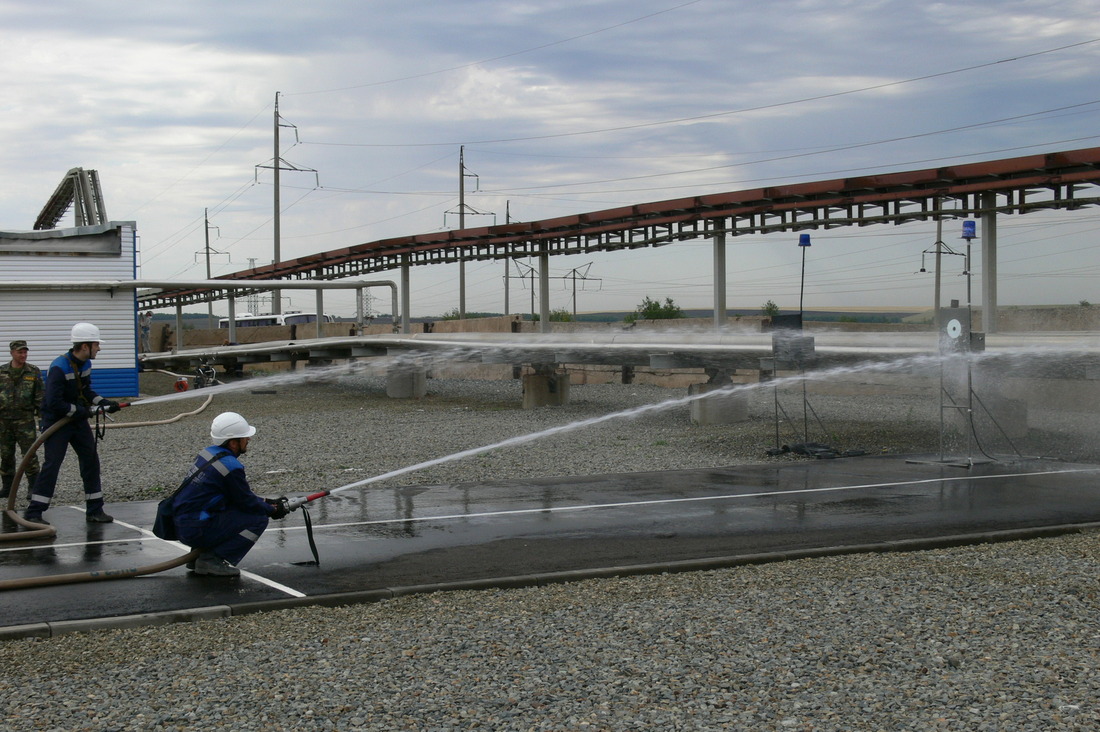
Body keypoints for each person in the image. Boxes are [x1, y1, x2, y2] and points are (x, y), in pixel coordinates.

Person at [25, 323, 121, 524]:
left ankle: (95, 510)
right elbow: (54, 402)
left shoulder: (85, 364)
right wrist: (82, 411)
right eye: (96, 344)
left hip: (77, 421)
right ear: (84, 346)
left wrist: (103, 403)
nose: (99, 348)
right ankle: (34, 513)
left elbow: (85, 391)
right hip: (56, 422)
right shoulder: (59, 367)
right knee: (52, 465)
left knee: (90, 461)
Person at [173, 412, 288, 576]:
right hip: (195, 529)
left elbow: (234, 495)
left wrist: (266, 501)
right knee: (258, 519)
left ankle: (197, 556)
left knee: (228, 511)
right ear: (233, 442)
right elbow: (245, 501)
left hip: (184, 523)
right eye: (244, 437)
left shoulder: (208, 453)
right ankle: (210, 560)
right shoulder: (231, 467)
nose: (248, 440)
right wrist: (272, 510)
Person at [1, 340, 44, 501]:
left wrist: (42, 419)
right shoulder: (2, 372)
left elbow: (40, 397)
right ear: (12, 352)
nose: (23, 355)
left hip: (25, 421)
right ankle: (7, 488)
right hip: (4, 421)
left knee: (29, 454)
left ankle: (33, 487)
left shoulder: (33, 371)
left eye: (25, 352)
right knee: (6, 455)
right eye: (20, 352)